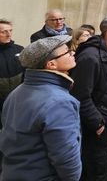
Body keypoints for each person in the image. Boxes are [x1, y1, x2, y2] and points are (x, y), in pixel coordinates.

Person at [0, 35, 81, 180]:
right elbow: (65, 156)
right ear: (51, 64)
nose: (73, 53)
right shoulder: (59, 102)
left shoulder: (16, 92)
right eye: (67, 52)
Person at [70, 15, 107, 180]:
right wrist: (97, 123)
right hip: (94, 122)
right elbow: (80, 95)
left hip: (105, 116)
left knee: (103, 164)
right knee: (95, 167)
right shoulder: (90, 57)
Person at [0, 19, 24, 129]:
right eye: (4, 32)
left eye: (10, 31)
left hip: (18, 100)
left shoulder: (19, 50)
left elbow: (26, 72)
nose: (8, 34)